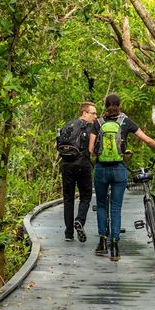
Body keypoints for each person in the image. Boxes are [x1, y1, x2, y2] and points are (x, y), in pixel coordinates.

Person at [88, 94, 155, 261]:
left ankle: (102, 242)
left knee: (102, 205)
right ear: (119, 105)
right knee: (116, 207)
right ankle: (115, 246)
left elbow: (91, 150)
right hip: (119, 170)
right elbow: (147, 140)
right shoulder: (125, 121)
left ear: (105, 105)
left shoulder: (98, 123)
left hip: (101, 169)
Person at [58, 102, 98, 242]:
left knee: (68, 199)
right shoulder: (91, 128)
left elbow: (58, 144)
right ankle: (79, 220)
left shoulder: (68, 125)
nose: (95, 116)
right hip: (83, 164)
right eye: (93, 113)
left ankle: (68, 233)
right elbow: (94, 148)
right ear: (84, 113)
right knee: (85, 196)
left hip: (66, 165)